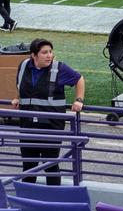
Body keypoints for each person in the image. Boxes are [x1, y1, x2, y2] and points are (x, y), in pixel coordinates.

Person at [12, 38, 85, 185]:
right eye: (44, 52)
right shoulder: (23, 65)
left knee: (51, 166)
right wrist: (17, 98)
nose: (49, 56)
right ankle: (27, 198)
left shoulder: (59, 68)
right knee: (28, 166)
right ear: (33, 55)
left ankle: (53, 199)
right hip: (27, 126)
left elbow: (79, 79)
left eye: (50, 52)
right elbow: (21, 85)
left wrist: (79, 100)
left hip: (51, 128)